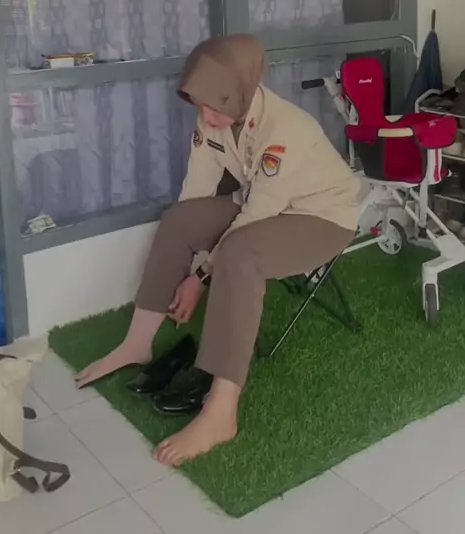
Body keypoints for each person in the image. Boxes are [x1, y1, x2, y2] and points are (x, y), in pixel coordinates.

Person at [75, 35, 361, 466]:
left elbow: (258, 215)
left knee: (239, 254)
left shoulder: (288, 129)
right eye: (200, 105)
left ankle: (222, 412)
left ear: (241, 92)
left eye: (213, 107)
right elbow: (197, 189)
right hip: (258, 202)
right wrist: (190, 258)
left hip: (322, 216)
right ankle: (137, 343)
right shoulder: (213, 116)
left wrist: (199, 277)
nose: (206, 117)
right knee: (179, 218)